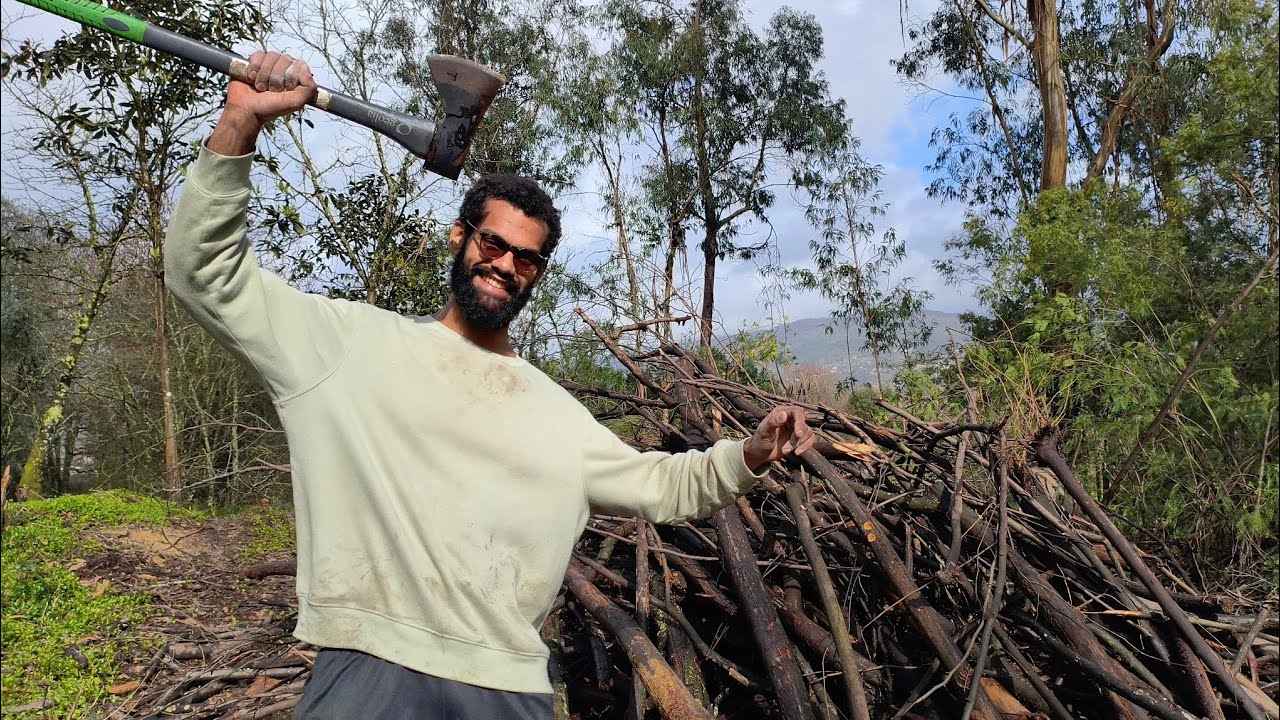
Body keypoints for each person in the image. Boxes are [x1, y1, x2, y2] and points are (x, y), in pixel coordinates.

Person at [165, 51, 816, 719]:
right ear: (460, 236)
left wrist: (753, 452)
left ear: (537, 274)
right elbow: (203, 275)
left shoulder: (556, 416)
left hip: (507, 687)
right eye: (492, 243)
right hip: (370, 668)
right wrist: (241, 119)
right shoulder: (347, 345)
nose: (504, 265)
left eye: (526, 258)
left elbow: (663, 485)